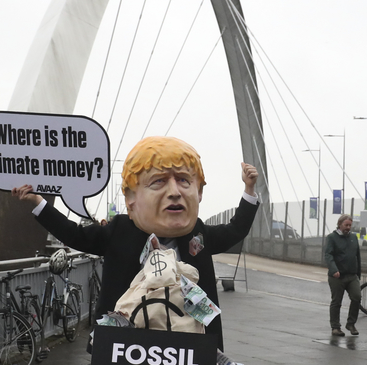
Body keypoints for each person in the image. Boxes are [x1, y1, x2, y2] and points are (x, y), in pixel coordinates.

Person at [13, 137, 259, 350]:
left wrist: (249, 189)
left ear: (200, 193)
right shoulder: (119, 231)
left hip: (189, 347)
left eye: (184, 180)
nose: (175, 192)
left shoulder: (199, 233)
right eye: (159, 182)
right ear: (130, 198)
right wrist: (38, 203)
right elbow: (74, 235)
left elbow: (235, 230)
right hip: (127, 347)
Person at [324, 214, 361, 337]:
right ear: (340, 224)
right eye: (346, 225)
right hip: (337, 276)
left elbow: (357, 256)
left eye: (350, 225)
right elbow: (328, 255)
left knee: (357, 297)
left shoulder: (353, 238)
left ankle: (351, 323)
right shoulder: (332, 238)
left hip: (351, 275)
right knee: (337, 301)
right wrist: (334, 269)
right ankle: (335, 327)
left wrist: (358, 273)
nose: (348, 227)